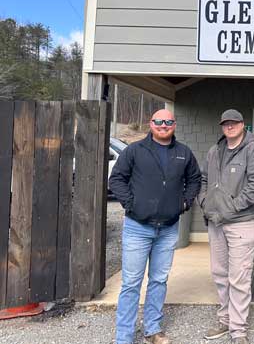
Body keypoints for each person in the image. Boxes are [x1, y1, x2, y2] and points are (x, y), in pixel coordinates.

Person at [110, 109, 202, 344]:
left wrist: (184, 203)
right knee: (131, 283)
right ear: (151, 124)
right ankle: (124, 337)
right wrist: (131, 203)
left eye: (168, 121)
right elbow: (117, 179)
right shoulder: (135, 150)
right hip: (138, 228)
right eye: (159, 121)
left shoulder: (183, 153)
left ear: (174, 124)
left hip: (168, 228)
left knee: (159, 280)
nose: (163, 125)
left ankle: (153, 329)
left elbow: (194, 179)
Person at [199, 109, 254, 344]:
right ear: (222, 126)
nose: (230, 126)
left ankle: (238, 330)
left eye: (234, 123)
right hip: (216, 221)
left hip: (242, 222)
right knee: (220, 273)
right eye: (226, 123)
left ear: (242, 124)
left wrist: (232, 207)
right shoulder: (214, 151)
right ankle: (225, 319)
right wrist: (204, 202)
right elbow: (204, 179)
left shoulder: (253, 149)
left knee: (239, 277)